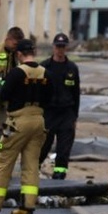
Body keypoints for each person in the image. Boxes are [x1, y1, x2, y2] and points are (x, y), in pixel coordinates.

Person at [0, 39, 48, 214]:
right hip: (39, 120)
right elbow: (52, 97)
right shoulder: (46, 73)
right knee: (31, 165)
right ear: (34, 52)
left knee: (3, 161)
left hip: (18, 121)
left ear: (19, 54)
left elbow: (1, 96)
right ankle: (27, 207)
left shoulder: (16, 73)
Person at [38, 33, 81, 180]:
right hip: (48, 113)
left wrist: (74, 117)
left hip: (66, 113)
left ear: (66, 48)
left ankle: (60, 174)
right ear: (53, 47)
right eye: (58, 46)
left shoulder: (72, 68)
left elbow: (76, 94)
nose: (60, 49)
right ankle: (34, 168)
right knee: (44, 145)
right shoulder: (44, 67)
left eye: (63, 47)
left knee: (64, 148)